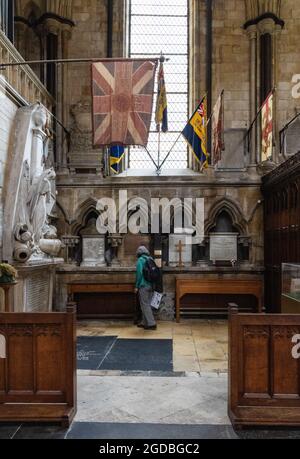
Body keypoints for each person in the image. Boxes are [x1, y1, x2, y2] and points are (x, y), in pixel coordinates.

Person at [135, 246, 157, 330]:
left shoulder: (140, 260)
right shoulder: (150, 259)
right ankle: (144, 322)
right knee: (145, 304)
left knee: (145, 304)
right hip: (151, 285)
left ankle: (151, 323)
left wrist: (136, 286)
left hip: (143, 285)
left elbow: (139, 274)